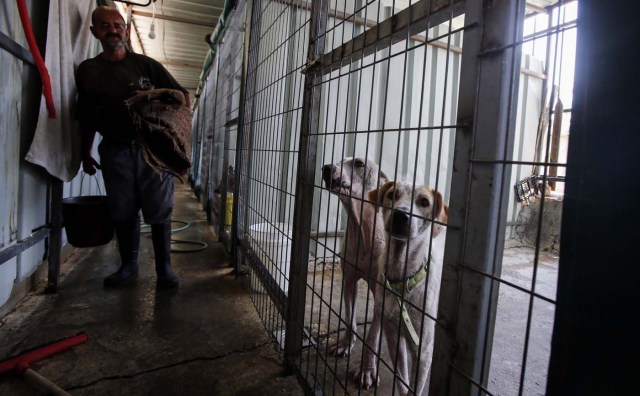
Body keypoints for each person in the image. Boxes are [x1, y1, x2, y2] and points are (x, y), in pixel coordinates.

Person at [75, 6, 191, 289]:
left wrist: (152, 97)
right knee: (123, 209)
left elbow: (183, 98)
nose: (112, 30)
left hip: (152, 149)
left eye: (118, 25)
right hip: (114, 150)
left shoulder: (147, 66)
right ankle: (128, 267)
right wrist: (84, 151)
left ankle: (164, 270)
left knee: (160, 208)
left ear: (126, 31)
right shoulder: (88, 71)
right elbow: (86, 114)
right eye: (105, 26)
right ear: (94, 32)